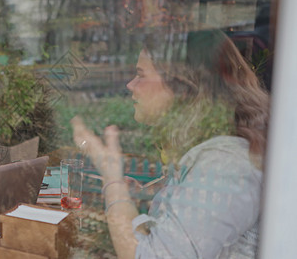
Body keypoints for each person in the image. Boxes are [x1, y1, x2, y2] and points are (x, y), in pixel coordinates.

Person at [71, 30, 269, 258]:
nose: (130, 85)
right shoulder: (219, 154)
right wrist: (145, 193)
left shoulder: (228, 163)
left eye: (141, 75)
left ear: (182, 88)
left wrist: (111, 177)